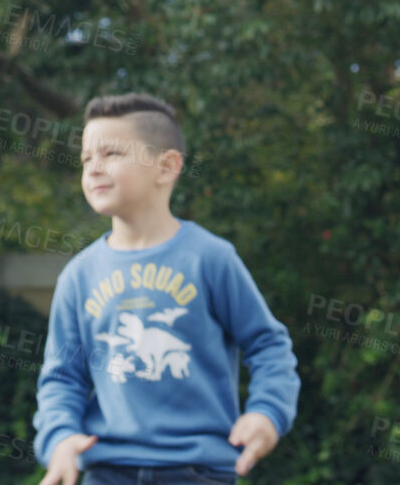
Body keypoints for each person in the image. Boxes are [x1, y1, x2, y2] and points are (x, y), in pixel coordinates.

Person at [34, 94, 298, 485]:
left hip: (200, 471)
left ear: (167, 166)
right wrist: (59, 439)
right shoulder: (78, 275)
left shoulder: (210, 258)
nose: (93, 169)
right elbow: (62, 378)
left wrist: (267, 413)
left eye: (110, 153)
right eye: (86, 159)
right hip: (106, 471)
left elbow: (268, 346)